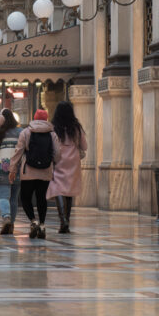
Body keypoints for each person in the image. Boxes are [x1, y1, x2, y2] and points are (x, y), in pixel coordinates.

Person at [9, 108, 61, 239]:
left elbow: (18, 152)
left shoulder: (26, 132)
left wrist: (13, 169)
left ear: (34, 118)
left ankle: (33, 221)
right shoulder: (52, 134)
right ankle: (42, 225)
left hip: (28, 172)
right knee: (41, 198)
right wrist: (53, 163)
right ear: (46, 119)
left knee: (25, 198)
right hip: (45, 172)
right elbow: (57, 153)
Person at [47, 100, 88, 233]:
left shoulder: (53, 127)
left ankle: (62, 219)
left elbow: (50, 144)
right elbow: (84, 146)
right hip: (73, 161)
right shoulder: (76, 127)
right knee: (69, 192)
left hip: (58, 160)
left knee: (57, 188)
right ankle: (67, 221)